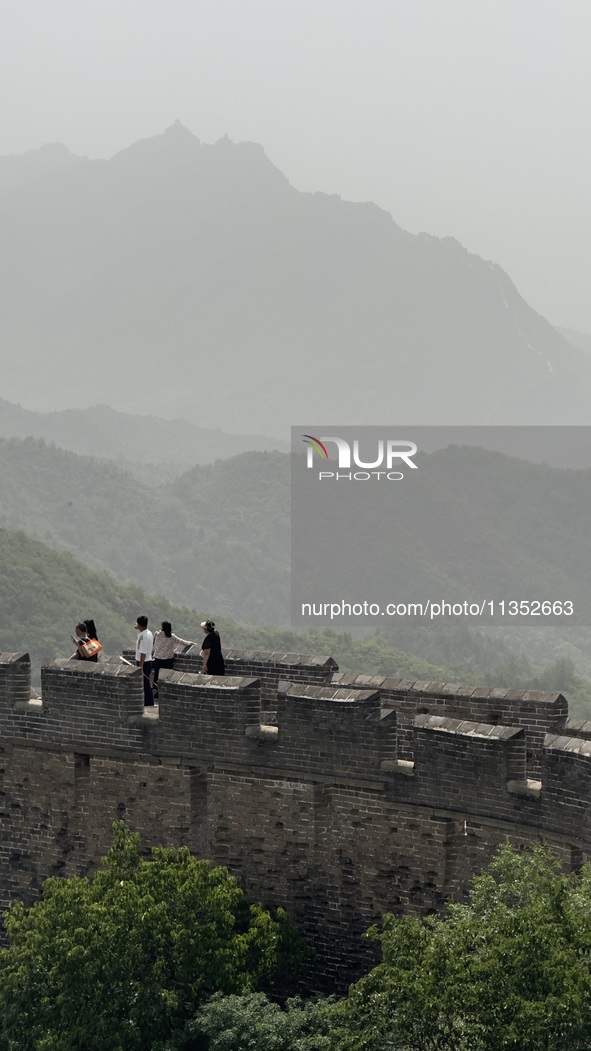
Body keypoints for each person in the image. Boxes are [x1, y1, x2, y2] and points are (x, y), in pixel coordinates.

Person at [152, 621, 195, 695]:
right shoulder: (172, 637)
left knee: (156, 676)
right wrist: (191, 643)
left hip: (157, 659)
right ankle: (164, 692)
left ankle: (155, 691)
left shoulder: (157, 634)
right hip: (167, 660)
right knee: (166, 677)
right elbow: (182, 642)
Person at [135, 615, 155, 706]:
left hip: (144, 662)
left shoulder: (143, 636)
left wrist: (140, 666)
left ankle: (148, 703)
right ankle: (148, 702)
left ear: (140, 624)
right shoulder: (148, 633)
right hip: (148, 660)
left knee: (145, 684)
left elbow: (143, 652)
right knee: (145, 683)